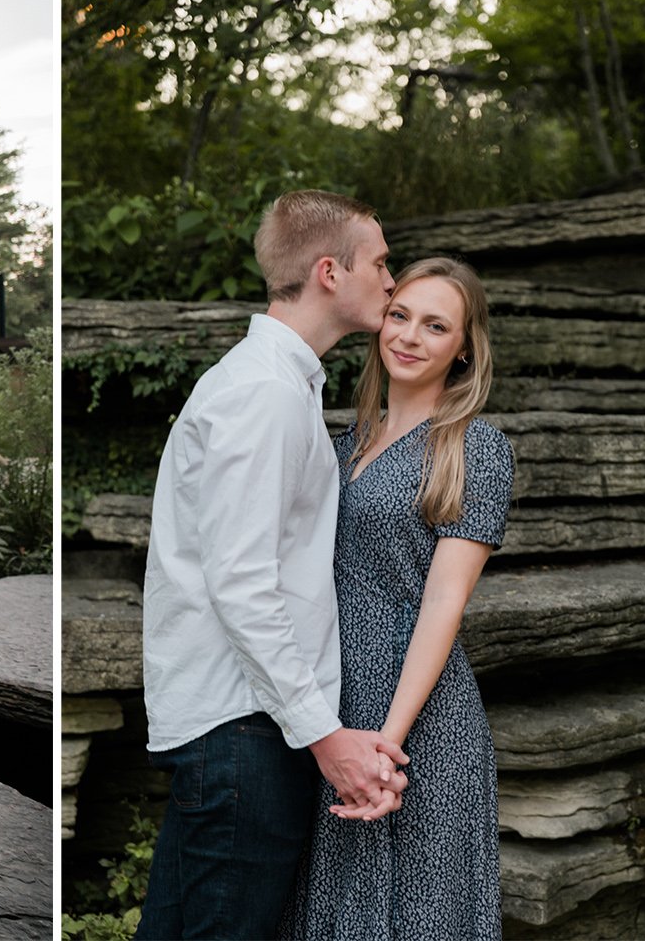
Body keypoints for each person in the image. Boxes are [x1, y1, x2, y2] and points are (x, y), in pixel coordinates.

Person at [136, 190, 411, 940]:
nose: (392, 282)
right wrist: (323, 735)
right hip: (245, 731)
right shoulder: (262, 393)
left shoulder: (278, 383)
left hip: (244, 728)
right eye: (380, 263)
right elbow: (242, 585)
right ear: (329, 271)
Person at [287, 258, 512, 938]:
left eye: (435, 325)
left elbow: (444, 601)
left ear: (463, 346)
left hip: (418, 718)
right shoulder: (338, 444)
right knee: (331, 902)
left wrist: (386, 744)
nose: (409, 336)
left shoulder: (475, 447)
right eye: (400, 315)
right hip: (332, 708)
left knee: (421, 911)